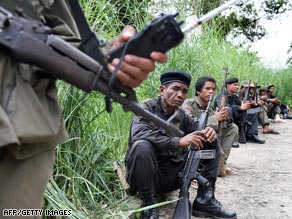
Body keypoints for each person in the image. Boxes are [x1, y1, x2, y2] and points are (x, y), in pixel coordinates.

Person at [0, 1, 167, 218]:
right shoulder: (150, 106)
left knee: (16, 213)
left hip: (22, 131)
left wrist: (111, 58)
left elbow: (68, 38)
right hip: (21, 125)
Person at [125, 70, 237, 219]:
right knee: (142, 146)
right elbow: (139, 134)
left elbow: (198, 129)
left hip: (171, 175)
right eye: (175, 89)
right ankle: (149, 205)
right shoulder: (146, 107)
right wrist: (178, 142)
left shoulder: (181, 115)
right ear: (162, 90)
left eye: (184, 91)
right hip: (145, 176)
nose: (180, 94)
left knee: (210, 141)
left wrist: (209, 131)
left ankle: (205, 200)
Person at [182, 76, 238, 175]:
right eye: (207, 89)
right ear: (198, 91)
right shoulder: (188, 104)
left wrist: (225, 117)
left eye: (213, 89)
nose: (211, 92)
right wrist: (215, 118)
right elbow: (190, 124)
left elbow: (221, 125)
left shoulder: (210, 109)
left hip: (206, 141)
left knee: (232, 128)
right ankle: (197, 168)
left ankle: (221, 163)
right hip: (191, 140)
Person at [215, 77, 265, 144]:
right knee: (228, 109)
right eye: (235, 85)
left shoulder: (235, 97)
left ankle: (251, 135)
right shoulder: (221, 96)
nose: (237, 87)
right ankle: (231, 137)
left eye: (238, 85)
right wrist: (240, 107)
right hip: (225, 119)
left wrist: (246, 105)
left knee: (253, 113)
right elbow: (222, 108)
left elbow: (241, 106)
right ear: (228, 85)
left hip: (236, 118)